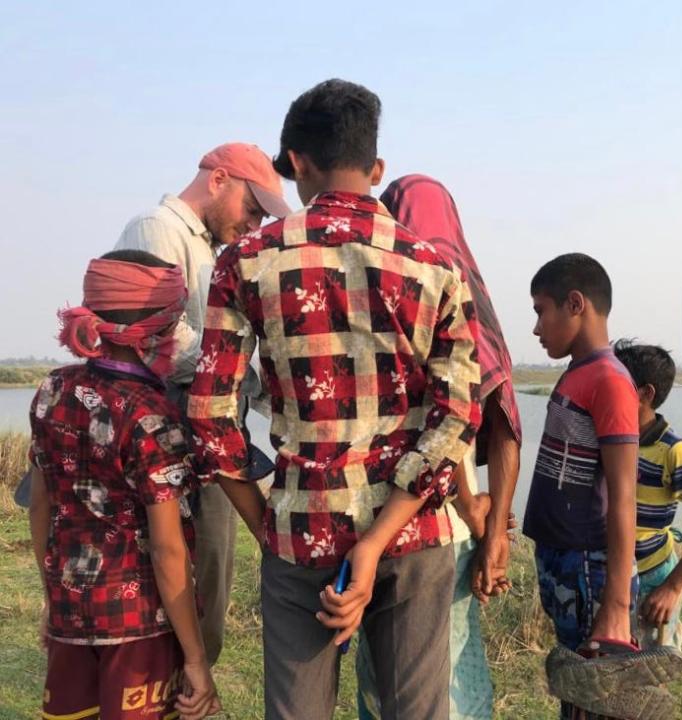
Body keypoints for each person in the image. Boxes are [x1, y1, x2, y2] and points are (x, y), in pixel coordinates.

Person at [187, 80, 483, 720]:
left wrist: (265, 522)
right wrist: (376, 542)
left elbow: (211, 416)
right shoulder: (434, 266)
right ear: (377, 169)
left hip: (300, 529)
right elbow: (458, 412)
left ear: (294, 162)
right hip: (414, 531)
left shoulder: (246, 260)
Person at [355, 174, 523, 720]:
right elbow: (499, 425)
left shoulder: (395, 285)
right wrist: (489, 527)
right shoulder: (467, 287)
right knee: (444, 665)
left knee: (399, 672)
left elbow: (446, 423)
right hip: (449, 524)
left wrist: (481, 520)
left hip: (396, 519)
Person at [115, 142, 290, 665]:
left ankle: (193, 676)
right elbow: (160, 335)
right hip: (171, 432)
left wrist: (261, 388)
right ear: (218, 181)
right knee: (176, 564)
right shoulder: (158, 229)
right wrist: (236, 372)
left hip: (210, 432)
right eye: (252, 210)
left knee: (212, 567)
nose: (254, 226)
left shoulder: (208, 249)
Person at [28, 250, 219, 720]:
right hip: (140, 630)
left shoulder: (52, 390)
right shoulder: (152, 415)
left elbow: (40, 508)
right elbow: (168, 550)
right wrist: (196, 659)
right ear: (159, 330)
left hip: (70, 616)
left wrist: (54, 601)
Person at [521, 253, 640, 720]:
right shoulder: (578, 372)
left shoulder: (610, 380)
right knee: (577, 689)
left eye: (539, 310)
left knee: (595, 696)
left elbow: (624, 495)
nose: (536, 327)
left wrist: (615, 605)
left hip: (590, 566)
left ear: (575, 304)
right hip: (564, 560)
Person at [611, 340, 682, 651]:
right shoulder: (606, 438)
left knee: (650, 672)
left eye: (616, 384)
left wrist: (673, 586)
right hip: (610, 576)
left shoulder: (672, 450)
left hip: (651, 580)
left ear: (645, 394)